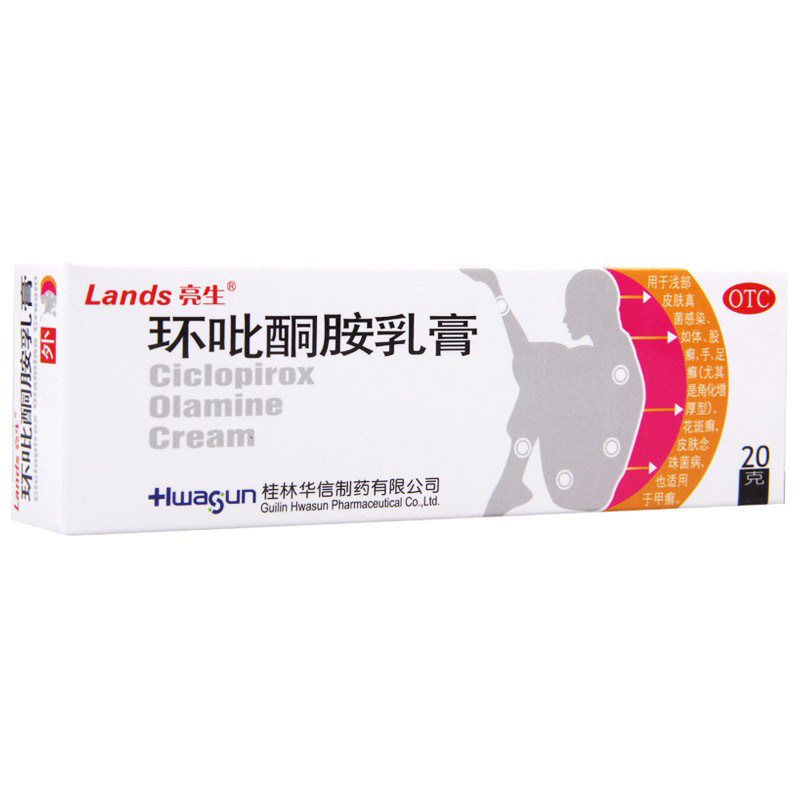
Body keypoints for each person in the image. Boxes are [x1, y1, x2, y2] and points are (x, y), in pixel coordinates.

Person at [463, 268, 644, 514]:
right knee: (547, 370)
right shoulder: (610, 354)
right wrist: (496, 289)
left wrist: (497, 291)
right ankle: (511, 482)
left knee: (545, 376)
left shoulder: (611, 364)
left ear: (591, 310)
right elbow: (527, 355)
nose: (565, 319)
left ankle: (511, 481)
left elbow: (529, 359)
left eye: (571, 309)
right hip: (575, 474)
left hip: (582, 489)